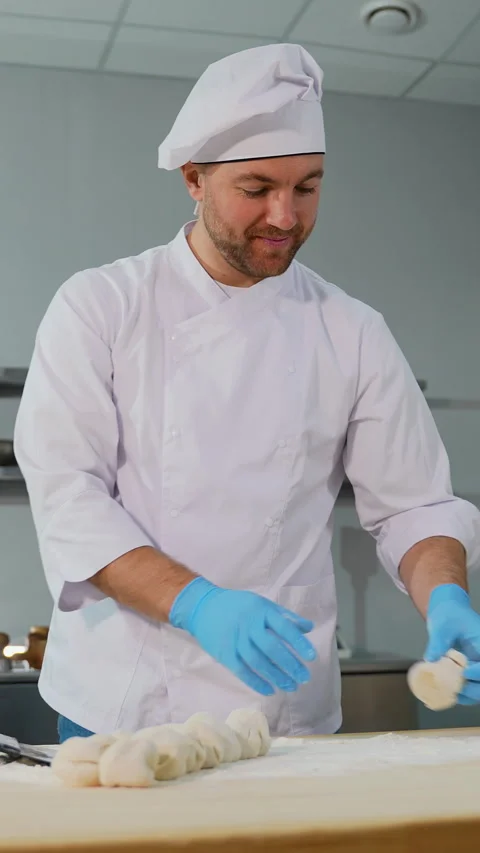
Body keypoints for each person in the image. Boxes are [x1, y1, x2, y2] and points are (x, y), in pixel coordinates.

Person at [14, 44, 480, 745]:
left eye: (308, 187)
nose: (285, 216)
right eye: (257, 188)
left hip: (281, 712)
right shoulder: (102, 307)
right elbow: (68, 499)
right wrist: (197, 603)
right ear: (194, 180)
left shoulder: (352, 330)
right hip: (122, 702)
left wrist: (445, 594)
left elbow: (414, 504)